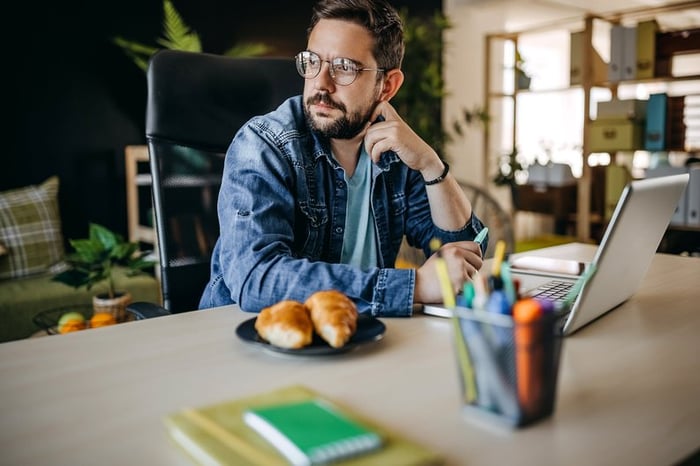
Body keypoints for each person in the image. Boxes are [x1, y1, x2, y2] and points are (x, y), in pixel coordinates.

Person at [199, 0, 488, 316]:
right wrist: (414, 285)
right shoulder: (265, 144)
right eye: (313, 62)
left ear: (387, 86)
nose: (320, 84)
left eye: (344, 67)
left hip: (354, 338)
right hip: (245, 339)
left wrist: (431, 164)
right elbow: (256, 278)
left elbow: (466, 252)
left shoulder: (397, 152)